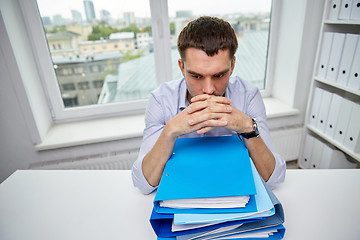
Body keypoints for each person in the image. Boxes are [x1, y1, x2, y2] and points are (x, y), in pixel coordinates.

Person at [132, 16, 286, 195]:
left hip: (233, 192)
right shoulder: (161, 100)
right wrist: (170, 131)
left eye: (219, 75)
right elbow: (143, 184)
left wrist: (248, 127)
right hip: (183, 191)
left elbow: (274, 179)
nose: (208, 90)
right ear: (182, 68)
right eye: (196, 76)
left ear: (232, 65)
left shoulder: (248, 95)